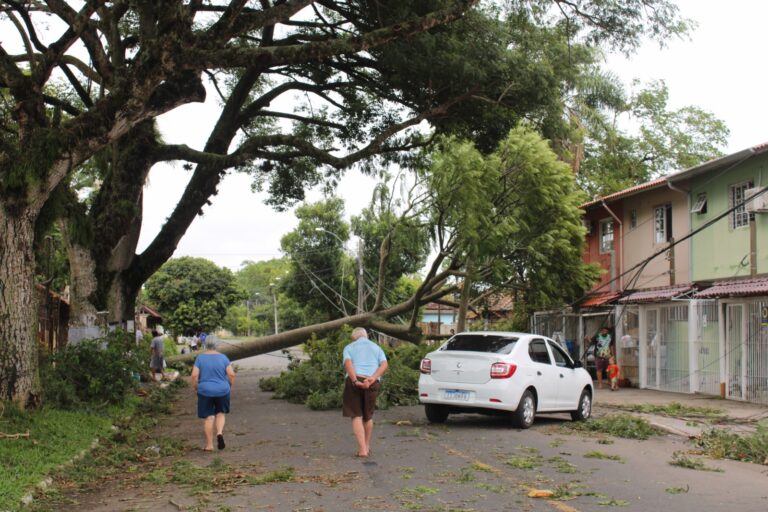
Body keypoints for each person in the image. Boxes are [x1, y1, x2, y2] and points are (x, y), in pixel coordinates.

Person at [342, 327, 388, 458]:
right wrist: (373, 378)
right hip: (372, 382)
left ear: (354, 337)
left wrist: (355, 381)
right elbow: (384, 364)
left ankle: (362, 450)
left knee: (356, 415)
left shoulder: (349, 347)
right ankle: (366, 446)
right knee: (368, 416)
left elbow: (348, 364)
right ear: (366, 336)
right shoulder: (376, 348)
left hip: (355, 381)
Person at [191, 336, 235, 451]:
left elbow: (194, 375)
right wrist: (229, 386)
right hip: (222, 390)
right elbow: (231, 374)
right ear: (217, 345)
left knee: (209, 418)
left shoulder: (200, 358)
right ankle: (219, 433)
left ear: (205, 344)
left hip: (205, 391)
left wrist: (196, 387)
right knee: (220, 413)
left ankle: (209, 445)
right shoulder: (223, 358)